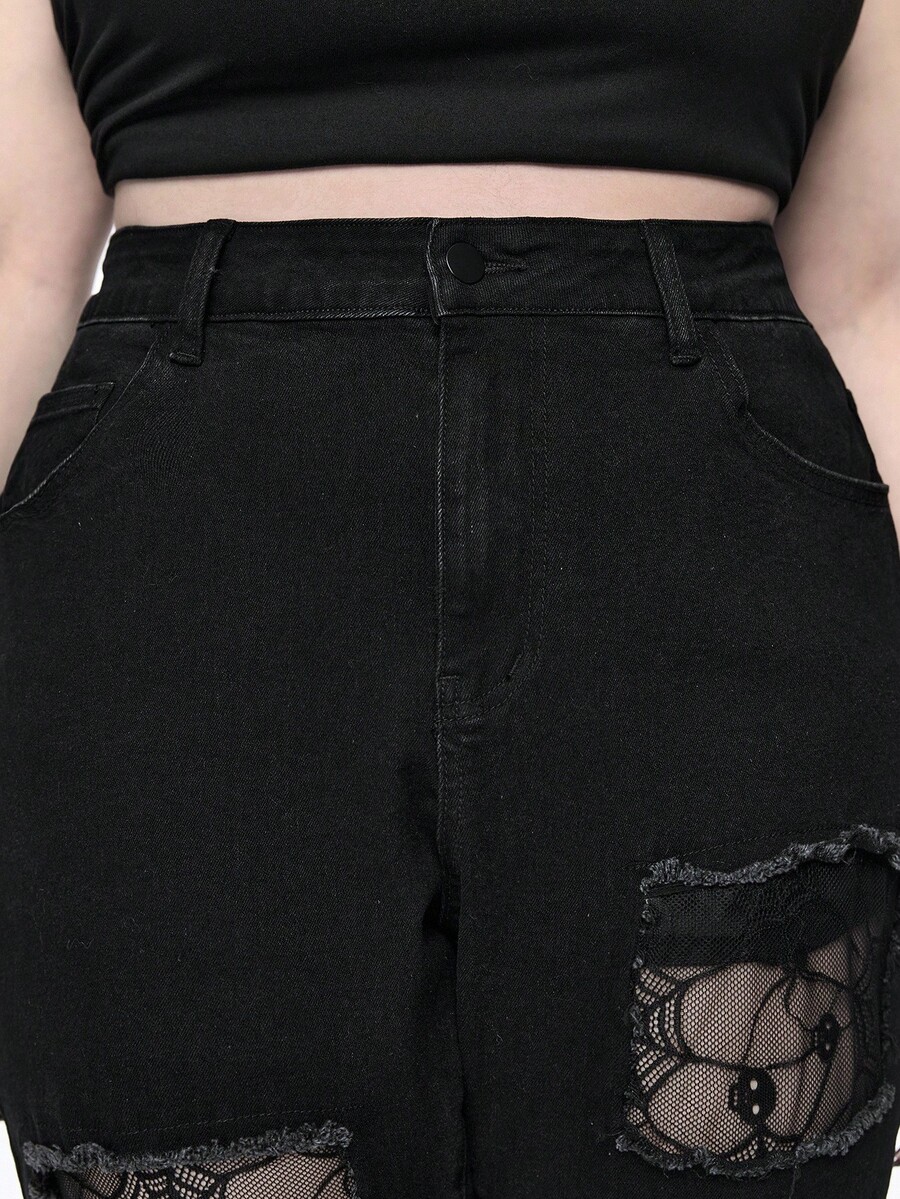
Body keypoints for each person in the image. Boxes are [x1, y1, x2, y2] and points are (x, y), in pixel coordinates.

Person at [1, 0, 899, 1196]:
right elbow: (19, 266)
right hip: (180, 562)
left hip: (719, 529)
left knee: (726, 1118)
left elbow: (866, 295)